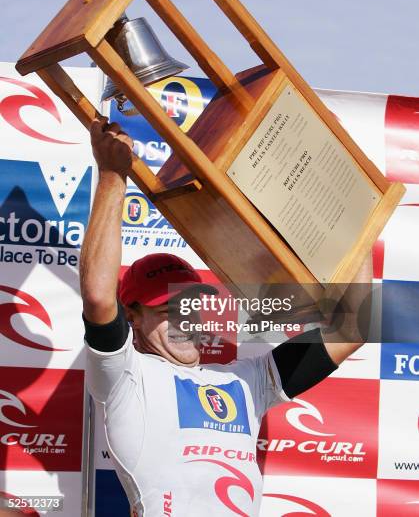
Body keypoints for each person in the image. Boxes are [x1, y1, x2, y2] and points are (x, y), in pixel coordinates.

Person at [81, 118, 372, 517]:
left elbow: (352, 327)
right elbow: (98, 297)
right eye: (169, 310)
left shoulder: (246, 379)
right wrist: (114, 176)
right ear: (133, 316)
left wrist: (362, 216)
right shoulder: (125, 377)